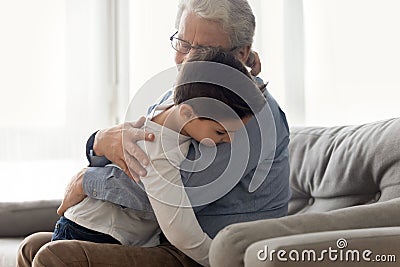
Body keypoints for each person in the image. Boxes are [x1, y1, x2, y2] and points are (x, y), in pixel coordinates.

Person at [17, 0, 290, 266]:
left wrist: (87, 180)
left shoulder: (243, 115)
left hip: (201, 249)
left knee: (53, 257)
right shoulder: (185, 93)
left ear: (241, 55)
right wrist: (98, 141)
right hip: (163, 237)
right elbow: (134, 149)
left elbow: (161, 198)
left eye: (205, 49)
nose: (186, 60)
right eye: (183, 43)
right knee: (32, 246)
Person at [50, 47, 266, 266]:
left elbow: (210, 74)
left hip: (100, 228)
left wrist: (249, 71)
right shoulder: (156, 152)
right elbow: (182, 233)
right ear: (187, 114)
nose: (229, 140)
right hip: (95, 233)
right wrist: (224, 261)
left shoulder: (174, 107)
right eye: (221, 132)